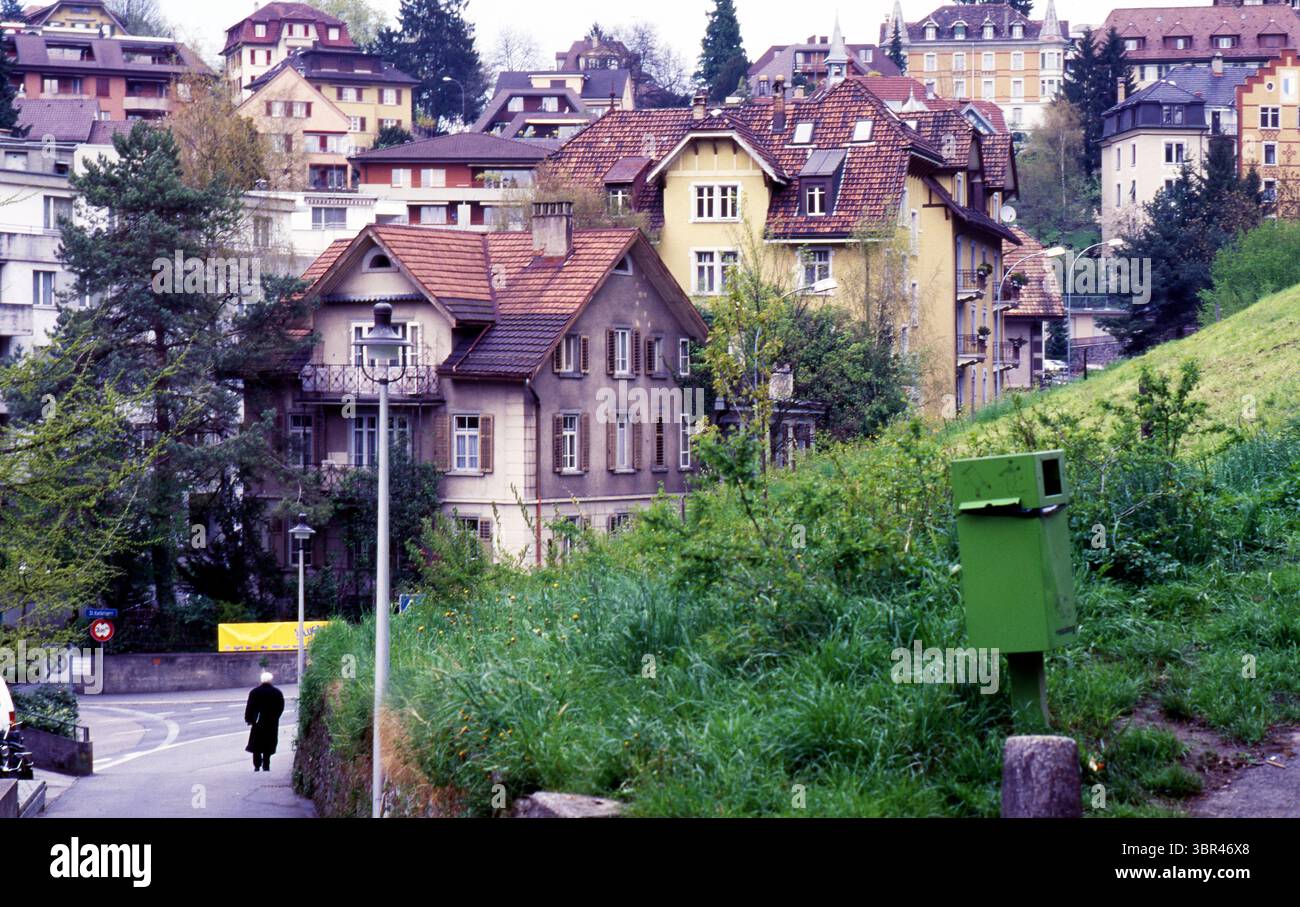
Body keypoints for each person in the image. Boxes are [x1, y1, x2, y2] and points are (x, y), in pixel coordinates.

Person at [244, 671, 285, 772]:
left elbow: (250, 707)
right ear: (271, 680)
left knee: (256, 744)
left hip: (257, 722)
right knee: (268, 743)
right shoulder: (277, 692)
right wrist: (276, 717)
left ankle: (257, 765)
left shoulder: (254, 692)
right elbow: (281, 707)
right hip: (271, 722)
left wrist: (249, 719)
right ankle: (266, 764)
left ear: (261, 680)